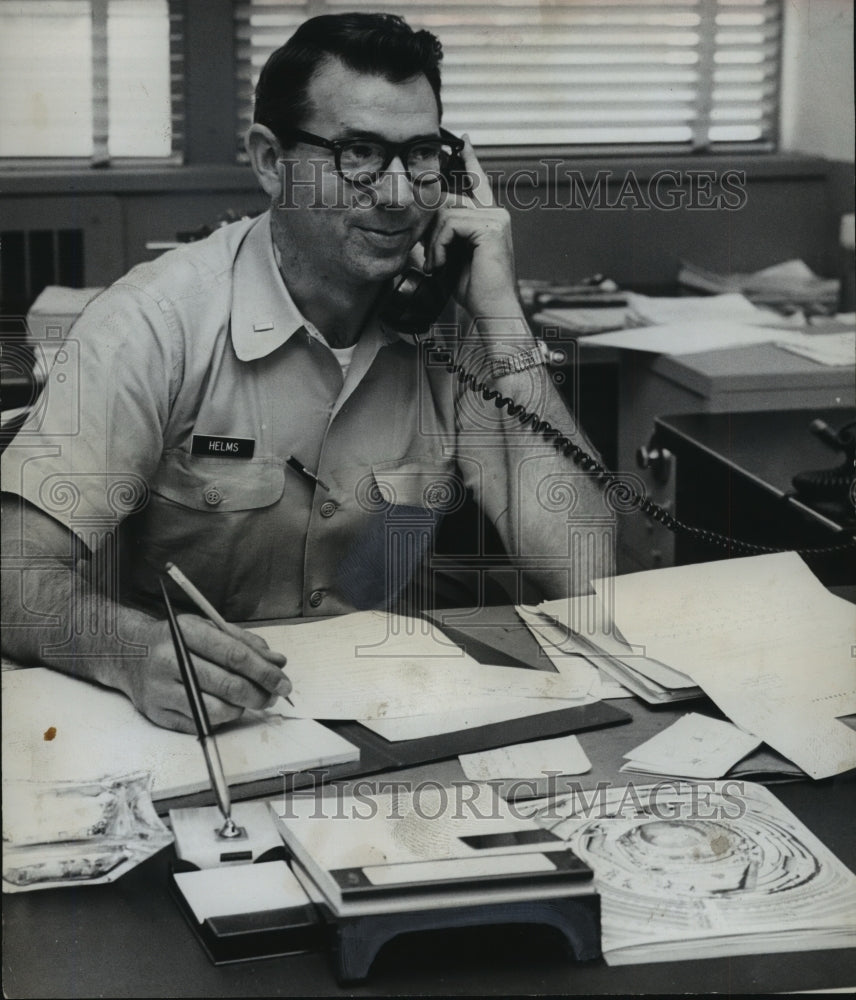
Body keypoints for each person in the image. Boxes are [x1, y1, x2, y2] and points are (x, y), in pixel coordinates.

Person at [0, 12, 611, 733]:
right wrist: (131, 652)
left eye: (420, 155)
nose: (395, 194)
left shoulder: (455, 322)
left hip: (395, 713)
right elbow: (15, 576)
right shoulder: (151, 325)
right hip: (197, 723)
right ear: (270, 161)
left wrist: (502, 313)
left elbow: (589, 577)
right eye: (358, 153)